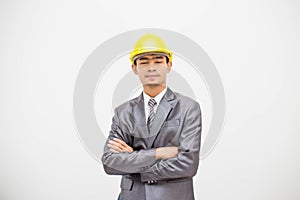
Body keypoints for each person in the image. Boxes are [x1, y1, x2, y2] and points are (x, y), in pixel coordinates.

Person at [101, 33, 202, 200]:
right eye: (144, 62)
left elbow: (188, 164)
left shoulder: (188, 108)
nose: (151, 67)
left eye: (158, 61)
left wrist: (133, 158)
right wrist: (158, 153)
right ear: (134, 68)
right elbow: (109, 162)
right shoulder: (123, 112)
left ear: (169, 65)